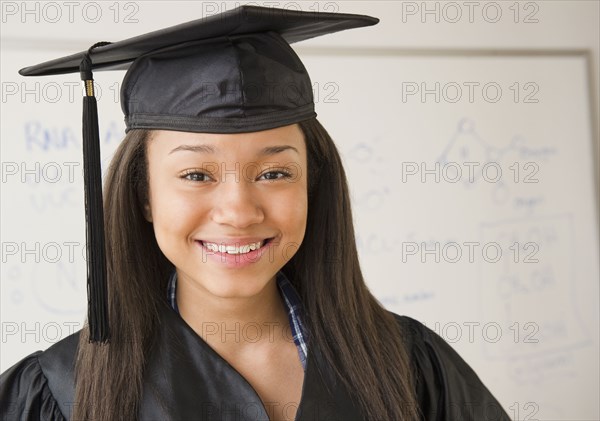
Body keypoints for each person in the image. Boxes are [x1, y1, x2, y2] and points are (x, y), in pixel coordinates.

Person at [0, 5, 511, 421]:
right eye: (196, 175)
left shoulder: (411, 365)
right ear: (144, 197)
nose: (239, 212)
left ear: (314, 183)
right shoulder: (62, 391)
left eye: (274, 174)